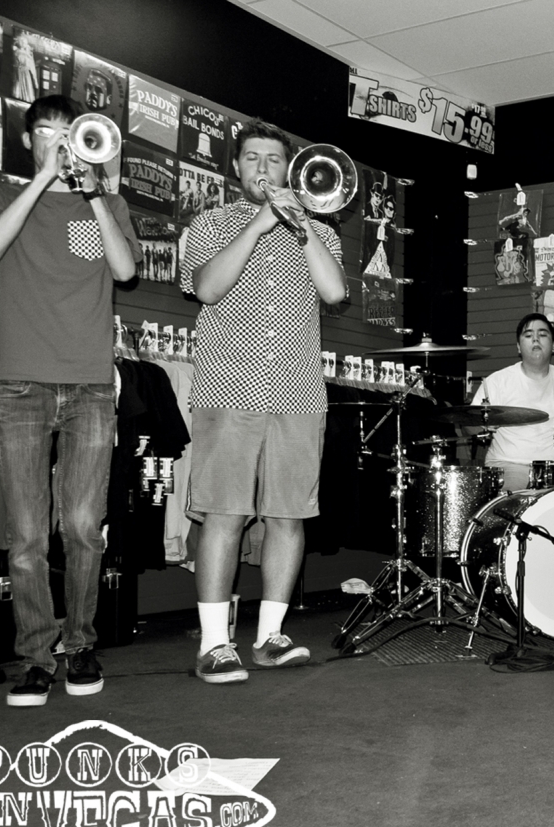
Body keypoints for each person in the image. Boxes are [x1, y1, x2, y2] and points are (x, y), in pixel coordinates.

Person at [0, 95, 141, 707]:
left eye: (72, 133)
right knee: (25, 537)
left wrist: (93, 193)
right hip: (22, 384)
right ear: (28, 140)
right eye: (47, 132)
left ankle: (81, 644)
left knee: (83, 528)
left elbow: (125, 271)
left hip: (91, 385)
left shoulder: (108, 203)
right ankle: (36, 658)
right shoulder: (1, 194)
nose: (60, 142)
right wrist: (44, 178)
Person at [180, 118, 346, 684]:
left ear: (290, 169)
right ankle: (214, 644)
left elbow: (335, 292)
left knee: (288, 517)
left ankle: (270, 637)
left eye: (274, 160)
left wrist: (302, 227)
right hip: (228, 388)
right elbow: (207, 288)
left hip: (298, 393)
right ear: (236, 167)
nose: (263, 169)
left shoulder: (319, 231)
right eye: (252, 158)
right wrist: (259, 222)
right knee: (224, 514)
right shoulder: (210, 223)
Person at [470, 313, 554, 493]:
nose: (535, 339)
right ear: (518, 346)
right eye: (528, 335)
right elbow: (468, 425)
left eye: (543, 334)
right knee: (509, 503)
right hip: (508, 465)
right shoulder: (497, 382)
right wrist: (483, 425)